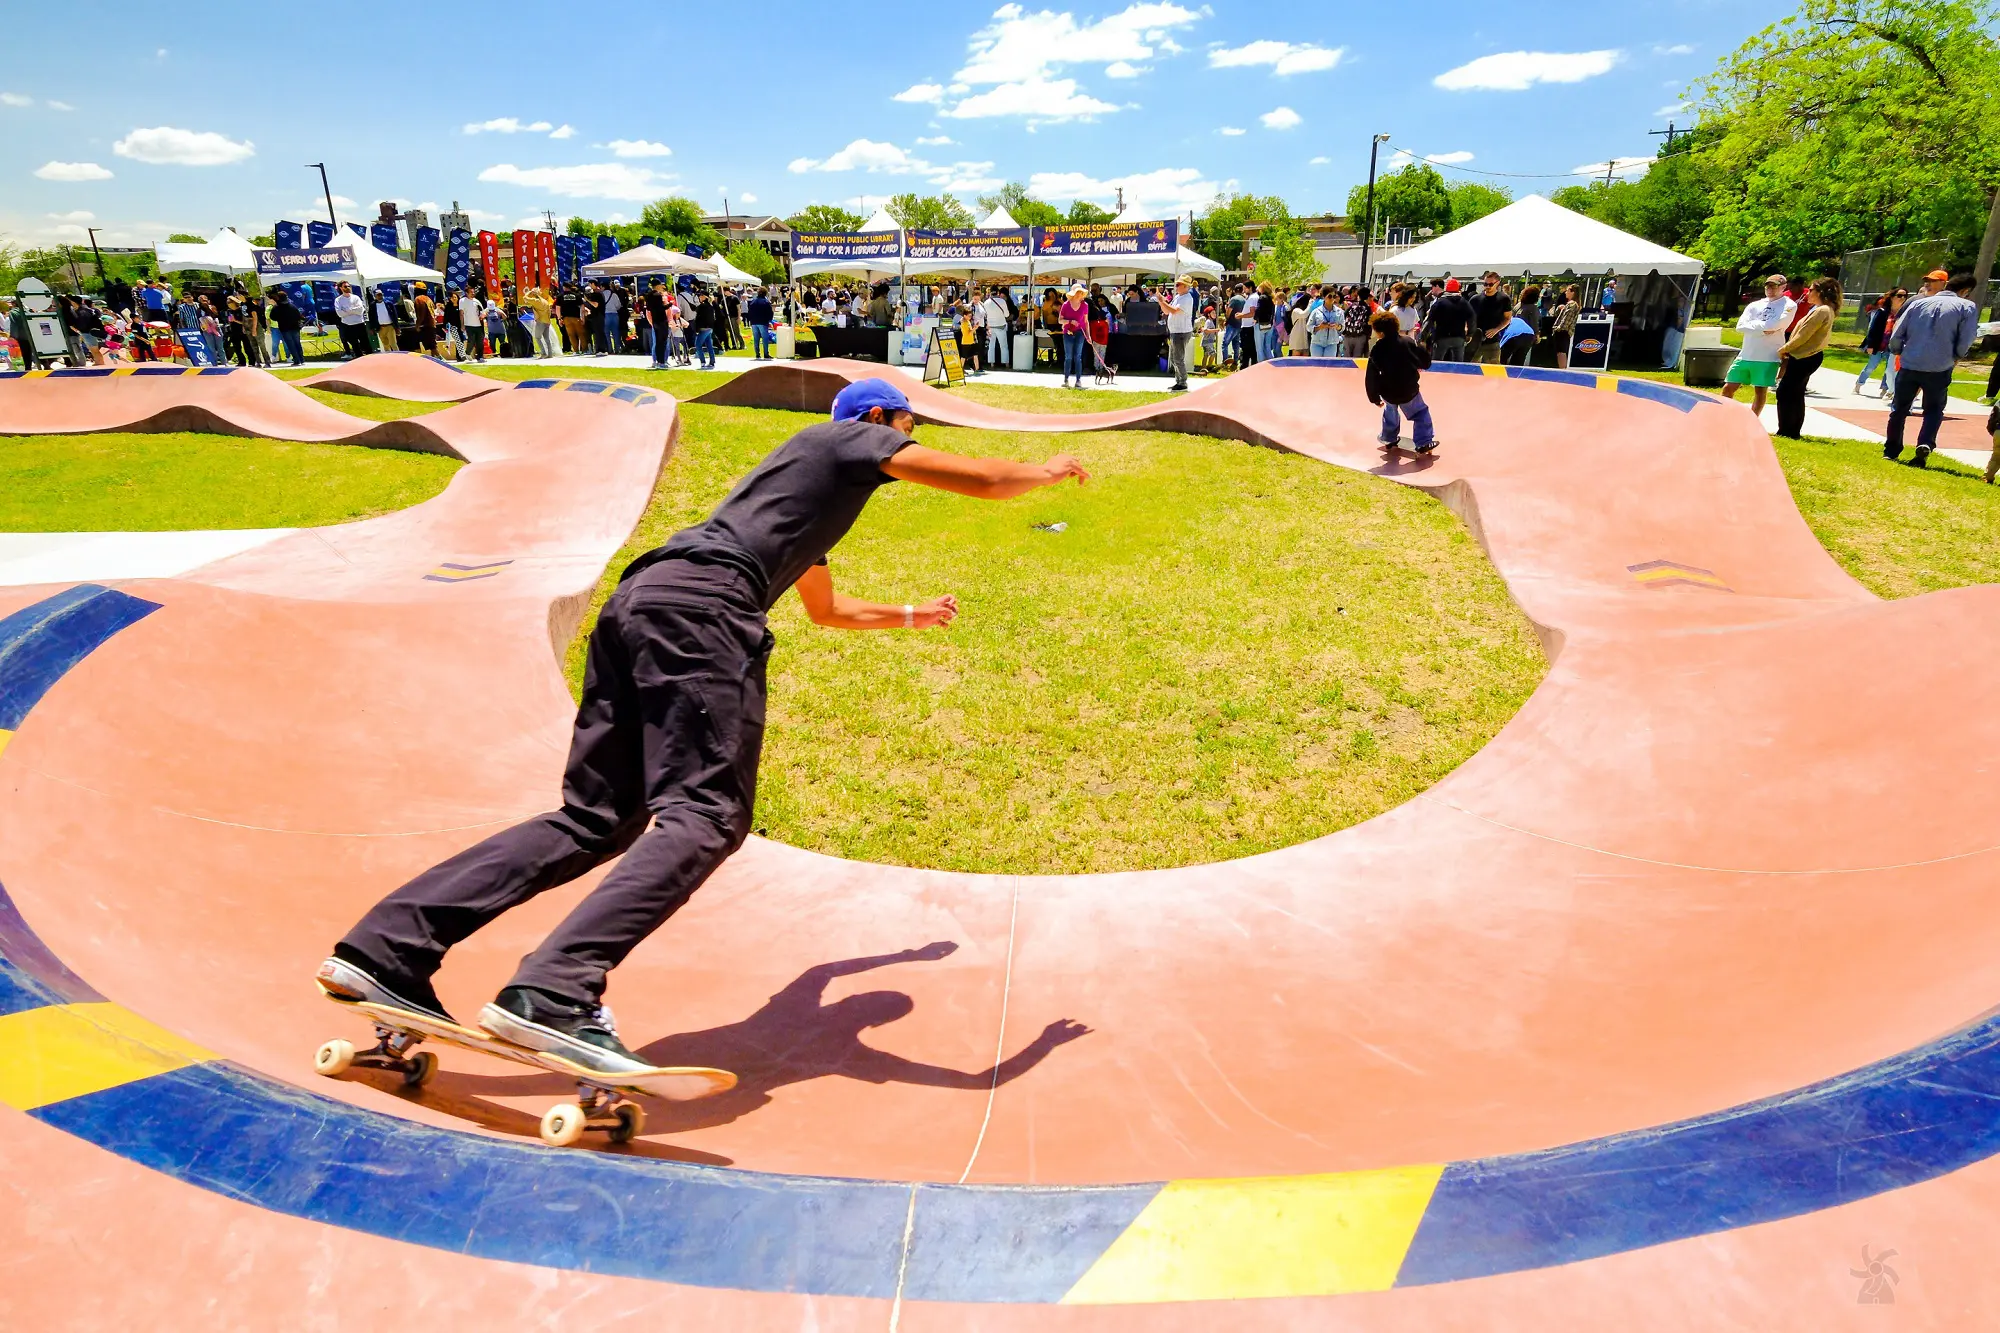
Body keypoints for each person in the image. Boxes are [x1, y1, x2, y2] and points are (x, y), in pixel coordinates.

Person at [317, 379, 1091, 1074]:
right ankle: (553, 991)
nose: (907, 442)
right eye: (906, 427)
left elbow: (826, 610)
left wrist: (914, 614)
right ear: (881, 422)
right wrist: (1044, 471)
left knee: (595, 817)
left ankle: (387, 948)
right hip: (699, 613)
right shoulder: (847, 436)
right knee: (708, 814)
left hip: (644, 602)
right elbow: (985, 479)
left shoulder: (796, 502)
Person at [1885, 271, 1980, 467]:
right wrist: (1956, 355)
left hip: (1910, 363)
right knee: (1934, 409)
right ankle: (1925, 443)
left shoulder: (1917, 303)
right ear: (1965, 291)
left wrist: (1897, 351)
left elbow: (1898, 332)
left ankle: (1891, 449)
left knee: (1899, 408)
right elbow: (1967, 336)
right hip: (1940, 366)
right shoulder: (1967, 307)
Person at [1775, 276, 1840, 440]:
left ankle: (1786, 431)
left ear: (1821, 292)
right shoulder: (1822, 309)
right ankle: (1791, 431)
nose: (1808, 292)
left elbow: (1804, 335)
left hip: (1805, 357)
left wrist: (1783, 349)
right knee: (1795, 393)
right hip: (1807, 356)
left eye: (1811, 290)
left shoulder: (1822, 310)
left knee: (1785, 392)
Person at [1364, 309, 1436, 454]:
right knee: (1420, 413)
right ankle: (1424, 442)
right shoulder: (1408, 341)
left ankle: (1389, 437)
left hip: (1388, 390)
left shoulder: (1377, 348)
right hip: (1408, 389)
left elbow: (1371, 374)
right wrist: (1421, 364)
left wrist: (1374, 397)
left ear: (1380, 333)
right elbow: (1425, 359)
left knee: (1390, 411)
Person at [1721, 274, 1794, 416]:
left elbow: (1777, 324)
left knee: (1760, 391)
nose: (1770, 289)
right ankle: (1724, 416)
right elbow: (1740, 326)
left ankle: (1753, 420)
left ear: (1783, 287)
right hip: (1746, 354)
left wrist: (1756, 326)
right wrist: (1763, 329)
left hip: (1767, 357)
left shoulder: (1789, 305)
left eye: (1774, 286)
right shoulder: (1755, 305)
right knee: (1728, 387)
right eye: (1767, 286)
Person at [1856, 290, 1905, 399]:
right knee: (1871, 366)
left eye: (1905, 296)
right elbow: (1873, 329)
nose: (1902, 298)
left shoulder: (1904, 313)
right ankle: (1859, 383)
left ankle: (1885, 390)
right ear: (1892, 297)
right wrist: (1870, 345)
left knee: (1890, 370)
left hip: (1892, 347)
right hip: (1879, 345)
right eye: (1899, 295)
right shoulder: (1883, 312)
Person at [1424, 278, 1472, 362]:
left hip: (1442, 336)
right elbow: (1472, 317)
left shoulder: (1440, 302)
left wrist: (1423, 337)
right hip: (1459, 336)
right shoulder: (1464, 303)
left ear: (1447, 289)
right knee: (1458, 363)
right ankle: (1457, 374)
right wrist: (1470, 333)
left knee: (1437, 361)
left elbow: (1429, 320)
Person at [1470, 272, 1513, 365]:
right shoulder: (1475, 299)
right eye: (1485, 284)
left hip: (1493, 342)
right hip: (1474, 341)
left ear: (1497, 283)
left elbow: (1508, 318)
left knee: (1493, 372)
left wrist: (1496, 329)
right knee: (1470, 369)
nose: (1487, 287)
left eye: (1490, 284)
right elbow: (1468, 317)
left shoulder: (1504, 299)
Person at [1165, 276, 1195, 391]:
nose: (1176, 286)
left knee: (1178, 358)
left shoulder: (1187, 298)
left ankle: (1182, 382)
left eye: (1178, 284)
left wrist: (1162, 301)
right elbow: (1167, 311)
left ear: (1185, 286)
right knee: (1173, 358)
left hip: (1181, 331)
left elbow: (1173, 311)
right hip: (1175, 331)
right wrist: (1162, 301)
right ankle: (1179, 381)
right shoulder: (1178, 297)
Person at [1059, 283, 1089, 388]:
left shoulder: (1085, 305)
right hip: (1068, 332)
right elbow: (1060, 320)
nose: (1079, 294)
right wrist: (1070, 321)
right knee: (1068, 357)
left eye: (1081, 293)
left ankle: (1078, 380)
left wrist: (1088, 335)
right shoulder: (1066, 305)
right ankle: (1066, 379)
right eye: (1077, 292)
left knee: (1078, 357)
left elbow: (1086, 322)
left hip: (1080, 332)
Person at [268, 289, 306, 367]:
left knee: (290, 344)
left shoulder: (276, 307)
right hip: (295, 328)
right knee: (297, 343)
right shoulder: (292, 306)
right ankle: (301, 359)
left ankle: (296, 360)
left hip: (285, 328)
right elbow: (298, 316)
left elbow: (272, 317)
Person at [331, 282, 368, 359]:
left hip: (359, 323)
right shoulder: (338, 300)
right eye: (345, 286)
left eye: (349, 286)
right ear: (341, 288)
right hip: (348, 325)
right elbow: (340, 314)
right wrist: (354, 310)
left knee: (365, 344)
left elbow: (360, 310)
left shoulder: (356, 297)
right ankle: (359, 359)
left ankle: (369, 359)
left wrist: (347, 310)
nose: (348, 288)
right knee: (355, 345)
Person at [1548, 285, 1582, 369]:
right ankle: (1562, 369)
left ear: (1573, 292)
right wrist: (1560, 308)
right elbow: (1557, 315)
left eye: (1567, 290)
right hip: (1564, 331)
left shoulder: (1572, 305)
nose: (1565, 292)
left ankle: (1563, 371)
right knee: (1560, 352)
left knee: (1561, 352)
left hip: (1563, 331)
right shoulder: (1571, 304)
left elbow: (1566, 321)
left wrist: (1558, 329)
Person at [981, 286, 1012, 371]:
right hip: (1001, 325)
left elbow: (985, 315)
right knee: (1004, 346)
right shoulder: (1002, 301)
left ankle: (991, 363)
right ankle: (1006, 363)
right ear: (998, 292)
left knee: (991, 345)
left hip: (991, 326)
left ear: (990, 292)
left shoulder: (986, 302)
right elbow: (1007, 315)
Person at [525, 285, 558, 360]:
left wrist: (529, 292)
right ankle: (550, 354)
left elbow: (525, 298)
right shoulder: (545, 301)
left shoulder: (536, 301)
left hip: (540, 321)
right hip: (547, 321)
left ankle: (543, 353)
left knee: (537, 337)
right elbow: (549, 312)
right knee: (547, 338)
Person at [747, 288, 776, 360]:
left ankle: (757, 354)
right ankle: (766, 354)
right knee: (764, 339)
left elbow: (749, 312)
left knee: (756, 339)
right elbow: (770, 312)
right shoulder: (766, 302)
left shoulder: (753, 302)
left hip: (754, 322)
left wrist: (751, 320)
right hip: (763, 322)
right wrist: (769, 320)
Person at [558, 284, 586, 355]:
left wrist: (559, 318)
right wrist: (582, 317)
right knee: (581, 334)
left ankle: (576, 351)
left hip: (566, 318)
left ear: (564, 287)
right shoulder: (577, 295)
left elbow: (558, 308)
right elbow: (582, 307)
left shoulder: (560, 296)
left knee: (571, 335)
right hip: (576, 317)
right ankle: (585, 350)